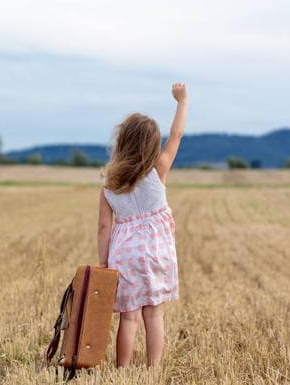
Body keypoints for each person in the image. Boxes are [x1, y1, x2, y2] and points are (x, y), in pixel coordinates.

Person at [97, 83, 188, 368]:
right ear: (152, 145)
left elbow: (103, 227)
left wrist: (104, 263)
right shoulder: (158, 170)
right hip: (156, 252)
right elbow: (177, 135)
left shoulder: (109, 185)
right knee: (154, 314)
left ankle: (122, 369)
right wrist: (182, 102)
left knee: (129, 316)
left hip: (124, 254)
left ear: (122, 142)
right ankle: (153, 369)